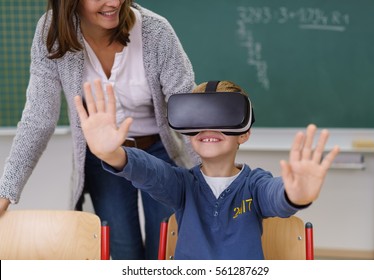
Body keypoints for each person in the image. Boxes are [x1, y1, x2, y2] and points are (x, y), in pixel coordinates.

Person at [0, 0, 198, 260]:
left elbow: (190, 114)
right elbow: (38, 118)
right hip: (103, 156)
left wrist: (211, 182)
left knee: (164, 251)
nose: (113, 2)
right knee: (122, 252)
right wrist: (6, 192)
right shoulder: (52, 33)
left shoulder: (155, 31)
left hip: (159, 153)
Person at [74, 79, 340, 259]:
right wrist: (112, 154)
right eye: (198, 118)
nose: (208, 128)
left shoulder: (256, 186)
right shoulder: (181, 185)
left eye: (223, 118)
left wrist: (297, 195)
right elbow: (150, 171)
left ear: (244, 134)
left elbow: (277, 196)